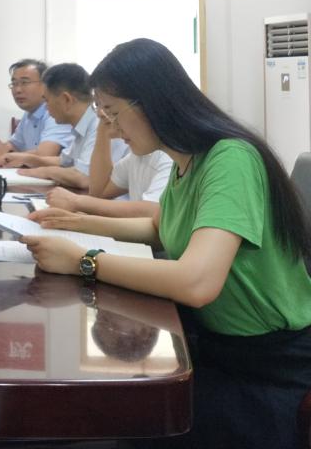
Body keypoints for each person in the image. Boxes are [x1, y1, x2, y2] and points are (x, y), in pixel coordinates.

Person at [23, 39, 311, 449]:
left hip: (267, 368)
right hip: (215, 346)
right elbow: (160, 227)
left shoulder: (230, 158)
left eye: (113, 113)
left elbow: (197, 282)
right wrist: (75, 223)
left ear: (152, 102)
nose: (112, 128)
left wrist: (84, 260)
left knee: (123, 420)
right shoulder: (185, 164)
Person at [1, 63, 126, 188]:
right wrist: (27, 159)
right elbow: (64, 162)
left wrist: (45, 171)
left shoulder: (99, 125)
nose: (46, 108)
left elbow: (85, 177)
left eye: (47, 101)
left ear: (66, 100)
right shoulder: (82, 125)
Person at [46, 112, 172, 218]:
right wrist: (102, 130)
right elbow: (100, 191)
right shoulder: (137, 154)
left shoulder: (168, 157)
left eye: (112, 110)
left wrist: (76, 201)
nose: (106, 117)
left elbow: (151, 211)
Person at [0, 58, 73, 164]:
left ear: (45, 85)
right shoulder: (29, 113)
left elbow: (45, 154)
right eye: (14, 83)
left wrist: (7, 156)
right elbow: (15, 145)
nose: (18, 90)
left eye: (24, 82)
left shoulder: (56, 113)